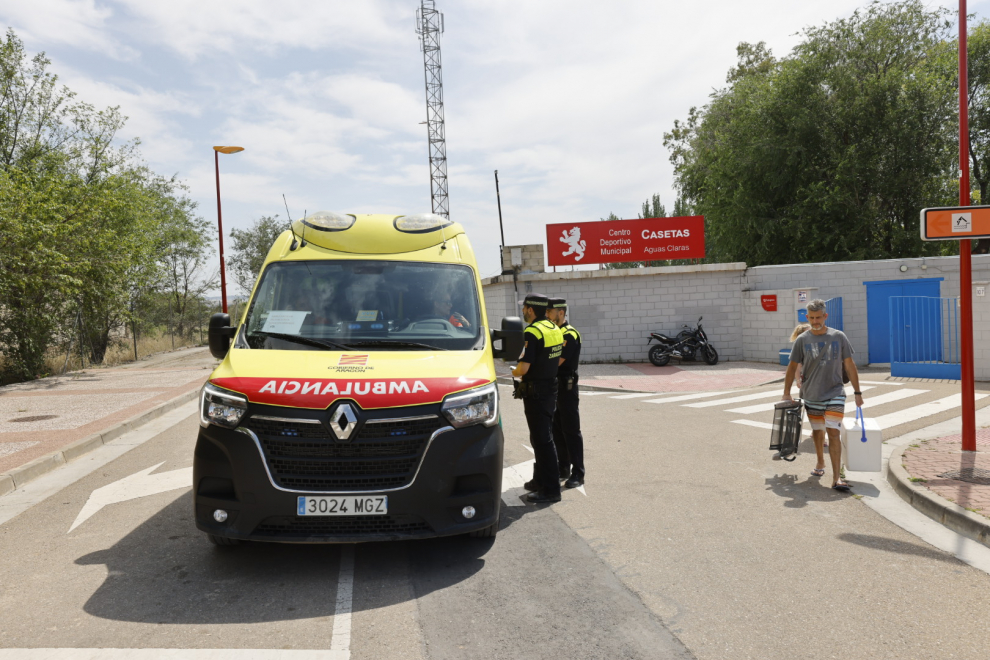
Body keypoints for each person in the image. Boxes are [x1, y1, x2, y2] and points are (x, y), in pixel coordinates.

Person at [781, 299, 863, 491]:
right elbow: (792, 367)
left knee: (833, 432)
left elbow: (850, 365)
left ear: (825, 316)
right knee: (818, 432)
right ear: (807, 317)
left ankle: (837, 478)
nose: (815, 321)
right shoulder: (802, 340)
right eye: (812, 318)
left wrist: (858, 393)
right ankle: (820, 462)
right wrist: (786, 392)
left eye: (819, 317)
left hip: (835, 392)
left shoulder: (839, 337)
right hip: (812, 394)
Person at [512, 293, 564, 503]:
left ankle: (551, 490)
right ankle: (540, 480)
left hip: (536, 392)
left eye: (524, 308)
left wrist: (513, 371)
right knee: (542, 438)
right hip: (550, 389)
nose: (523, 311)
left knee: (542, 440)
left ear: (531, 309)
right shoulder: (554, 328)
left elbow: (524, 367)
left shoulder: (533, 332)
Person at [548, 297, 585, 489]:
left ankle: (578, 473)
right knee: (557, 429)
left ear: (560, 313)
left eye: (549, 312)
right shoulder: (554, 333)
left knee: (571, 430)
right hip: (556, 387)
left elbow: (556, 362)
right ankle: (563, 468)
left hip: (568, 387)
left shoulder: (569, 334)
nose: (546, 315)